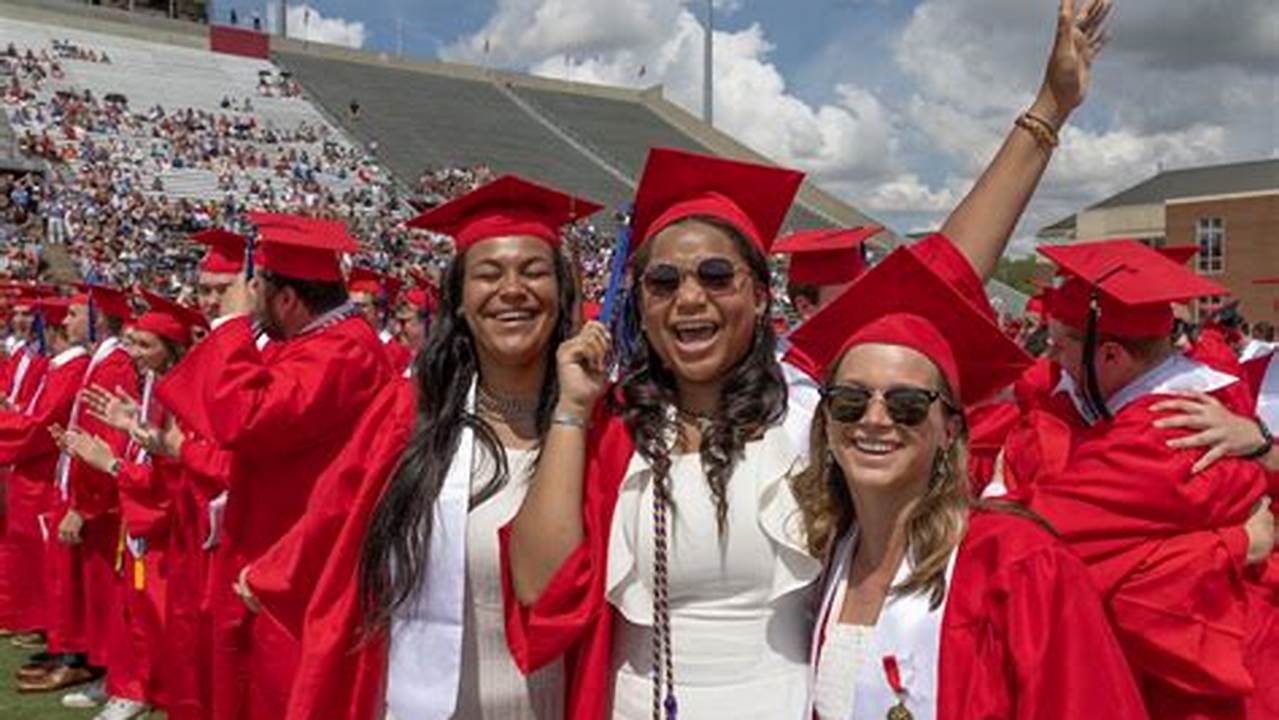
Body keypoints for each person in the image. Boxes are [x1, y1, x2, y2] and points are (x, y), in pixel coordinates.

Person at [506, 0, 1109, 714]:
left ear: (761, 295)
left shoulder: (813, 416)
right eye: (662, 282)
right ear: (641, 302)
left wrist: (1046, 112)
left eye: (717, 276)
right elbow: (540, 588)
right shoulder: (615, 432)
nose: (689, 298)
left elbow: (941, 278)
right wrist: (571, 414)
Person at [238, 176, 602, 719]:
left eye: (533, 271)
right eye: (488, 273)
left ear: (562, 292)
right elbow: (339, 508)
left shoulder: (597, 425)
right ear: (459, 300)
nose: (512, 289)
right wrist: (276, 570)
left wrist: (575, 405)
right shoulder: (411, 413)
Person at [785, 245, 1146, 719]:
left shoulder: (1015, 562)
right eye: (850, 400)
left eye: (907, 405)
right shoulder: (827, 555)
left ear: (950, 429)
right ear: (827, 419)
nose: (874, 419)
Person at [999, 239, 1274, 719]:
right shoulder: (1210, 400)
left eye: (1060, 343)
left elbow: (1033, 533)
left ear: (1110, 356)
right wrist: (1230, 542)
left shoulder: (1164, 433)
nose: (1050, 357)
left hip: (1203, 693)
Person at [157, 212, 394, 720]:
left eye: (257, 289)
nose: (248, 300)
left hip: (297, 561)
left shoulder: (344, 352)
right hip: (271, 545)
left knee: (282, 693)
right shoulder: (322, 343)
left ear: (286, 300)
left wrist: (231, 326)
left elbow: (244, 416)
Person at [55, 290, 208, 720]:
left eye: (144, 344)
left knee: (159, 612)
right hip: (144, 511)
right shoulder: (155, 390)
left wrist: (111, 464)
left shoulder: (181, 398)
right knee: (137, 608)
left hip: (168, 523)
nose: (133, 351)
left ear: (170, 347)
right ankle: (134, 685)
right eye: (133, 341)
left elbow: (170, 479)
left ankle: (144, 689)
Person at [0, 298, 90, 687]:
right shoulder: (58, 366)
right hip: (35, 474)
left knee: (56, 568)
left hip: (48, 475)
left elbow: (38, 427)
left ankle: (69, 651)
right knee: (40, 563)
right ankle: (57, 642)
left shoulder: (73, 369)